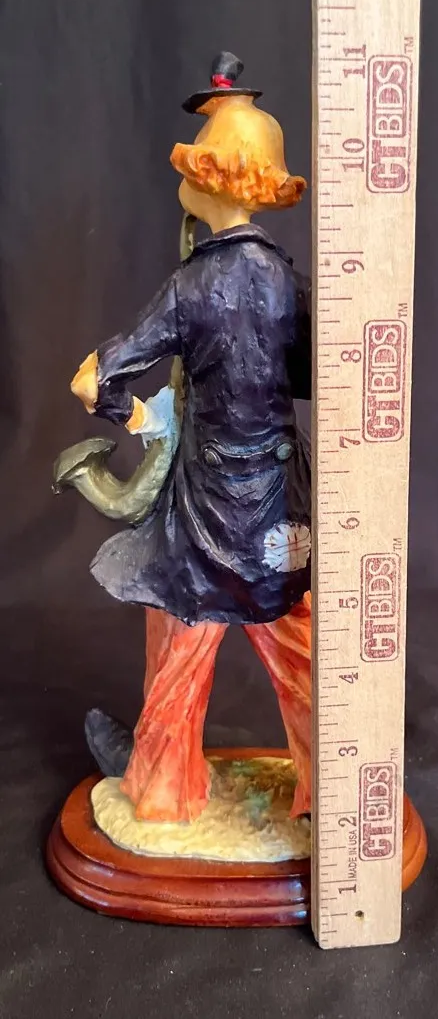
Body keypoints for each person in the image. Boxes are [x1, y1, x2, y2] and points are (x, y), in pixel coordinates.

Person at [71, 53, 312, 823]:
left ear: (208, 176)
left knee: (179, 639)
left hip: (205, 514)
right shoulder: (288, 281)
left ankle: (161, 784)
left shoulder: (191, 285)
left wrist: (135, 417)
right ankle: (331, 781)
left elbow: (93, 379)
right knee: (304, 652)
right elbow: (313, 375)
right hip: (280, 507)